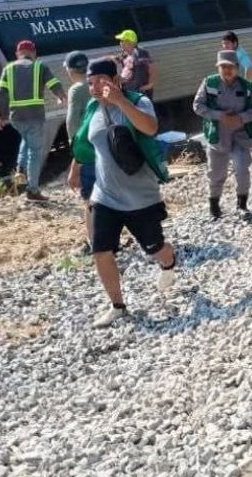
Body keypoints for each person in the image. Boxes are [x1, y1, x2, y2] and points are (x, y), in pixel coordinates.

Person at [67, 59, 178, 329]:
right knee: (100, 249)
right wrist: (75, 169)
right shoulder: (93, 108)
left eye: (100, 81)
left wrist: (119, 101)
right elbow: (85, 142)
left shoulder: (137, 101)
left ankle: (169, 263)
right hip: (104, 195)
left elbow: (150, 128)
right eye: (90, 82)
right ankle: (118, 306)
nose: (94, 87)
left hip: (140, 195)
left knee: (155, 248)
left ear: (115, 80)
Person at [192, 50, 252, 219]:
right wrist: (219, 116)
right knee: (216, 173)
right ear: (218, 68)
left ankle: (242, 205)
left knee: (242, 168)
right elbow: (197, 106)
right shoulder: (209, 83)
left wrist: (241, 118)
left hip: (240, 135)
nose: (227, 70)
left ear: (237, 68)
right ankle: (214, 205)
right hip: (217, 136)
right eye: (223, 66)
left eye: (230, 66)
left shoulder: (247, 87)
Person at [0, 40, 67, 202]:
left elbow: (1, 92)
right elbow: (54, 83)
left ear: (17, 54)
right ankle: (32, 190)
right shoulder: (40, 67)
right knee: (35, 152)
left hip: (16, 117)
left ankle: (20, 167)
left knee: (26, 139)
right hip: (35, 115)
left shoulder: (8, 68)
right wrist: (61, 96)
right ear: (33, 53)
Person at [63, 51, 94, 249]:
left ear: (70, 70)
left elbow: (73, 122)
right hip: (104, 145)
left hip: (88, 149)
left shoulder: (77, 89)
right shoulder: (97, 83)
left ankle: (95, 242)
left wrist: (75, 153)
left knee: (91, 199)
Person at [115, 29, 157, 99]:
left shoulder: (140, 53)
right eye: (120, 41)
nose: (120, 43)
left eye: (122, 41)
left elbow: (153, 68)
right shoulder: (124, 55)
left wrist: (149, 85)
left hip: (140, 94)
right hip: (129, 92)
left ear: (130, 42)